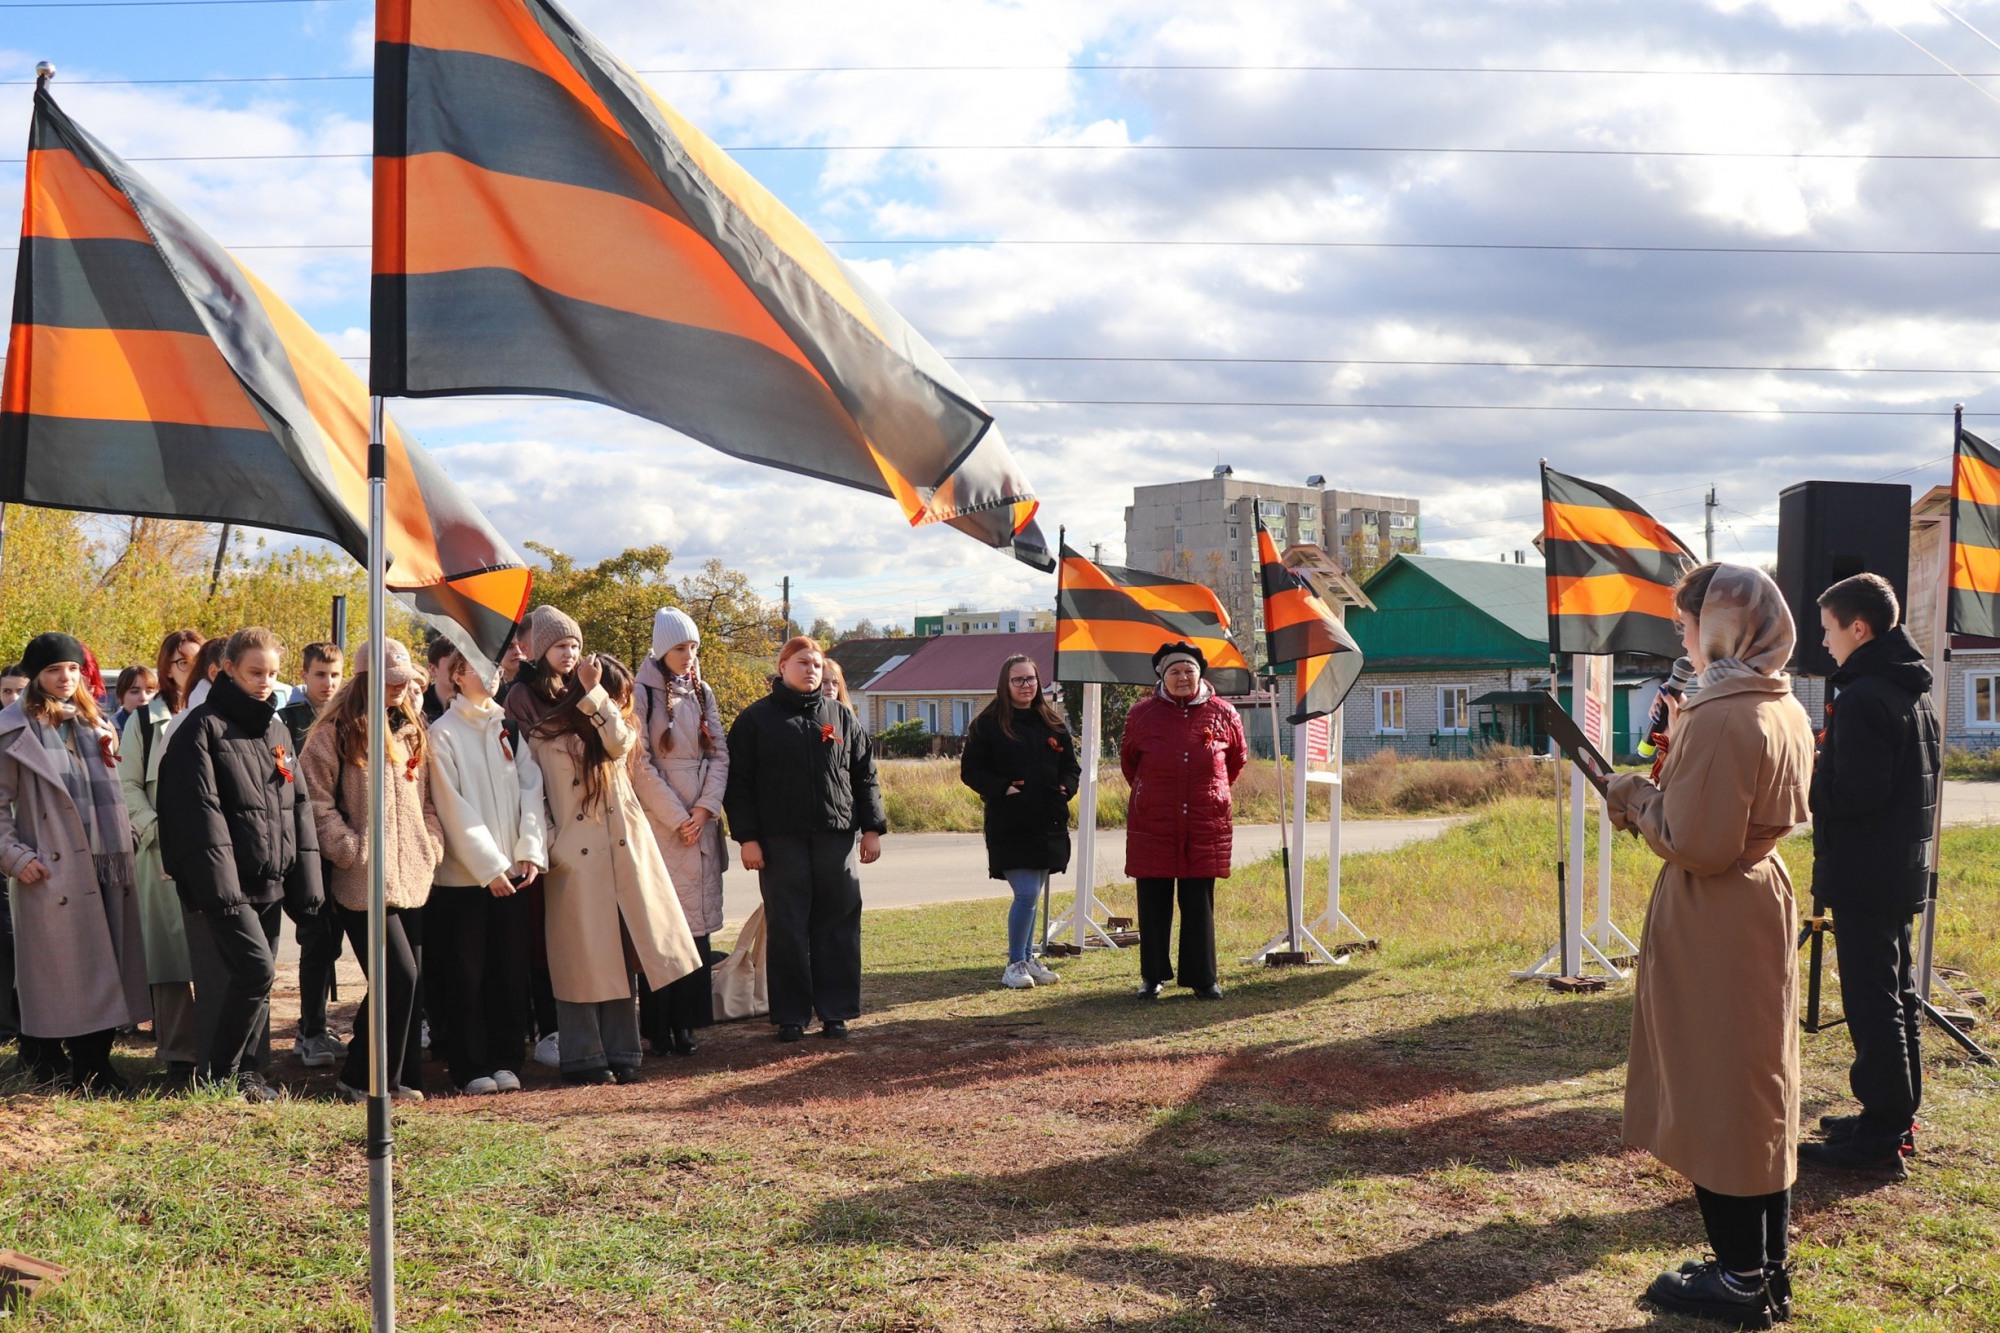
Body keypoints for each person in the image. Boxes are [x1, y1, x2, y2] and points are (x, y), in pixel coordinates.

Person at [1604, 564, 1815, 1328]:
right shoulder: (1775, 697)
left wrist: (1633, 795)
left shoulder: (1726, 713)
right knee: (1755, 1082)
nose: (1682, 640)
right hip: (1752, 895)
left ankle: (1737, 1280)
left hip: (1720, 906)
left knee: (1719, 1086)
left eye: (1687, 626)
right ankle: (1761, 1267)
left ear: (1724, 628)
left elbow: (1696, 840)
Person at [1797, 572, 1941, 1178]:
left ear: (1860, 627)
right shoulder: (1909, 689)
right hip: (1898, 870)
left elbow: (1854, 793)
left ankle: (1880, 1139)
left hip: (1867, 873)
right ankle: (1890, 1116)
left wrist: (1812, 775)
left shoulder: (1863, 696)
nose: (1825, 642)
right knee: (1897, 994)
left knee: (1872, 1000)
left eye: (1830, 629)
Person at [156, 627, 323, 1102]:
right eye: (255, 672)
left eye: (272, 673)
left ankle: (248, 1074)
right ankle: (217, 1076)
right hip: (226, 887)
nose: (265, 682)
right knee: (255, 973)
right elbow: (199, 818)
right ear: (225, 669)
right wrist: (222, 894)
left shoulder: (274, 728)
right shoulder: (199, 729)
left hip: (268, 880)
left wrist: (305, 884)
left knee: (257, 983)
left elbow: (297, 803)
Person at [528, 647, 702, 1084]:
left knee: (622, 955)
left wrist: (596, 696)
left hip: (624, 856)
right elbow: (534, 799)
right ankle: (584, 1056)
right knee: (582, 960)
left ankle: (624, 1051)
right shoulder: (544, 735)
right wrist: (555, 845)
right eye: (617, 696)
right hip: (576, 861)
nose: (624, 707)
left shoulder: (615, 733)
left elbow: (619, 742)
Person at [0, 632, 151, 1092]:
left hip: (108, 863)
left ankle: (94, 1066)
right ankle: (48, 1060)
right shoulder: (13, 729)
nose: (65, 678)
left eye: (70, 668)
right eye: (52, 670)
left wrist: (128, 835)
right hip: (51, 869)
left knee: (106, 968)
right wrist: (15, 857)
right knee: (63, 976)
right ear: (35, 677)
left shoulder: (97, 722)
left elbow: (117, 790)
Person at [299, 639, 443, 1104]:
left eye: (406, 681)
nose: (401, 689)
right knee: (397, 975)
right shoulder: (335, 732)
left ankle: (388, 1078)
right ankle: (362, 1079)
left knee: (411, 980)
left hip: (413, 873)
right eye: (392, 681)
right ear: (368, 679)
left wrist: (431, 844)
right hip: (361, 880)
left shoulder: (410, 729)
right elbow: (315, 802)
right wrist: (351, 849)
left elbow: (427, 801)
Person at [725, 636, 886, 1042]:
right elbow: (738, 785)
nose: (811, 670)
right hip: (780, 841)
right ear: (782, 668)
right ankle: (792, 1015)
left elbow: (864, 775)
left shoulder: (840, 717)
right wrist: (747, 838)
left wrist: (871, 829)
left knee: (838, 925)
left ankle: (836, 1012)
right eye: (801, 663)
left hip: (835, 838)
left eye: (816, 664)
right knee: (788, 927)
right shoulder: (755, 720)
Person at [427, 646, 546, 1094]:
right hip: (465, 880)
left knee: (509, 969)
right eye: (478, 668)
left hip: (514, 873)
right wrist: (489, 866)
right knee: (467, 973)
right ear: (456, 676)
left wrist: (529, 849)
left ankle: (506, 1057)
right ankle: (469, 1064)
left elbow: (530, 790)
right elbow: (451, 806)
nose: (491, 675)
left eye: (494, 668)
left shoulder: (507, 727)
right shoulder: (443, 733)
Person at [1119, 641, 1247, 1001]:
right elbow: (1131, 763)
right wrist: (1153, 793)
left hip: (1205, 821)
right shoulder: (1141, 714)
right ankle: (1153, 975)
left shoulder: (1224, 712)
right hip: (1154, 821)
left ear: (1200, 673)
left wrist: (1211, 792)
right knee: (1153, 898)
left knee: (1198, 900)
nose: (1182, 676)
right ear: (1162, 676)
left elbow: (1235, 761)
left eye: (1189, 669)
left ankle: (1203, 978)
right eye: (1174, 671)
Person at [632, 608, 729, 1056]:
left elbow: (720, 756)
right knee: (663, 926)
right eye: (679, 648)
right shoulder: (641, 694)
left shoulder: (703, 690)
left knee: (697, 927)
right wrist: (677, 817)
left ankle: (688, 1022)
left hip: (700, 822)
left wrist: (706, 809)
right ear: (661, 650)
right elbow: (640, 764)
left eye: (693, 647)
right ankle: (658, 1024)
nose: (688, 656)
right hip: (662, 823)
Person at [960, 652, 1080, 990]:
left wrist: (1064, 787)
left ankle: (1028, 957)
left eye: (1030, 679)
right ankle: (1014, 963)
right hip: (1010, 823)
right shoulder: (988, 725)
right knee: (1026, 893)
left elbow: (1071, 767)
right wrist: (1004, 789)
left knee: (1035, 894)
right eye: (1018, 680)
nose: (1026, 686)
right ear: (1005, 684)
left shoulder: (1052, 722)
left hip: (1049, 822)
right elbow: (971, 771)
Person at [118, 631, 206, 1084]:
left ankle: (216, 1050)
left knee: (213, 951)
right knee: (169, 957)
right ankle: (177, 1054)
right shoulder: (143, 722)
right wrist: (154, 830)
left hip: (212, 851)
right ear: (166, 666)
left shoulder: (217, 712)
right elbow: (127, 784)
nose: (186, 666)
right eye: (178, 660)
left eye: (195, 657)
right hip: (159, 853)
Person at [278, 642, 348, 1070]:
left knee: (335, 941)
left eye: (336, 675)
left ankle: (317, 1023)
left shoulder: (349, 718)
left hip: (343, 845)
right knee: (316, 939)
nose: (329, 683)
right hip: (306, 848)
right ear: (304, 675)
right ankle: (312, 1030)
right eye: (320, 675)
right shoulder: (287, 723)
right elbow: (286, 781)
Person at [111, 666, 157, 736]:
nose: (144, 698)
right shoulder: (111, 729)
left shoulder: (167, 725)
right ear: (120, 696)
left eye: (149, 691)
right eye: (135, 691)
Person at [420, 636, 457, 723]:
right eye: (453, 666)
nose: (459, 671)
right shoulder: (419, 705)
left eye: (463, 665)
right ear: (433, 669)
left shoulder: (476, 704)